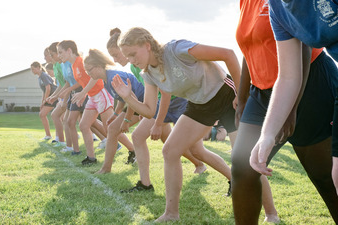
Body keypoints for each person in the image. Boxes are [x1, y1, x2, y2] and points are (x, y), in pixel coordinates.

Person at [112, 27, 240, 222]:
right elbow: (148, 111)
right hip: (199, 105)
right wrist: (127, 97)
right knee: (170, 150)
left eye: (132, 54)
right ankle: (171, 213)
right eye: (127, 57)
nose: (131, 60)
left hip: (225, 95)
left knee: (242, 160)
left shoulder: (176, 49)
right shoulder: (148, 73)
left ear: (147, 46)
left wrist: (242, 94)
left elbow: (228, 54)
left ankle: (270, 213)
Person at [234, 1, 338, 223]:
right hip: (264, 91)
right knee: (243, 167)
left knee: (328, 176)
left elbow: (304, 45)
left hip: (312, 84)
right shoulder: (262, 5)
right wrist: (244, 101)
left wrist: (292, 111)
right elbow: (253, 49)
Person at [106, 28, 207, 194]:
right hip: (161, 105)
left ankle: (227, 174)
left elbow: (166, 94)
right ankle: (146, 184)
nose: (115, 60)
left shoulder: (148, 63)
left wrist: (158, 123)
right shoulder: (135, 68)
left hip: (177, 103)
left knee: (197, 150)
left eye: (117, 55)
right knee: (156, 141)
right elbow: (143, 101)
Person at [83, 49, 144, 173]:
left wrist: (126, 120)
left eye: (90, 70)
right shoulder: (106, 79)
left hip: (142, 103)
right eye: (86, 70)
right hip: (135, 103)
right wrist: (116, 114)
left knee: (113, 130)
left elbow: (132, 99)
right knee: (112, 129)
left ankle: (107, 168)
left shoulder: (113, 78)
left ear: (99, 66)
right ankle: (107, 167)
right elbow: (121, 98)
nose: (88, 73)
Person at [46, 42, 67, 147]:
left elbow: (67, 82)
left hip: (69, 94)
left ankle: (62, 141)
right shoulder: (55, 66)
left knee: (56, 115)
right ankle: (60, 140)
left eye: (51, 54)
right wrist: (54, 96)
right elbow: (60, 84)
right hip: (65, 94)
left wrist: (60, 95)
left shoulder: (60, 64)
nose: (49, 57)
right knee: (57, 116)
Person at [30, 61, 57, 140]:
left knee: (43, 114)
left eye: (33, 69)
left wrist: (45, 100)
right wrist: (42, 102)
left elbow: (48, 88)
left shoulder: (43, 75)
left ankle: (49, 136)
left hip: (54, 97)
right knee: (42, 114)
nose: (32, 71)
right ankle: (48, 135)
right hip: (49, 97)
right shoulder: (40, 77)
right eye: (31, 70)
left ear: (38, 67)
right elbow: (44, 90)